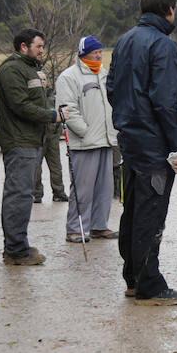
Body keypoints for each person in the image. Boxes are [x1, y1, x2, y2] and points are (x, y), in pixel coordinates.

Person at [107, 0, 177, 306]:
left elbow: (112, 88)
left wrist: (129, 119)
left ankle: (133, 278)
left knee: (133, 211)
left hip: (129, 140)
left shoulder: (125, 41)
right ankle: (149, 284)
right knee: (150, 214)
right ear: (169, 10)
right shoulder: (164, 45)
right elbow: (165, 101)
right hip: (154, 144)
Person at [0, 28, 57, 267]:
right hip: (19, 142)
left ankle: (18, 245)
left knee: (24, 195)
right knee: (18, 195)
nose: (42, 50)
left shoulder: (29, 69)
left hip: (31, 141)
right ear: (23, 47)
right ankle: (16, 250)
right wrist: (52, 115)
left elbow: (32, 100)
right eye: (38, 46)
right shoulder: (11, 70)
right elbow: (21, 106)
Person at [56, 35, 118, 243]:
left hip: (106, 140)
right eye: (95, 52)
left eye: (100, 51)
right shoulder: (69, 77)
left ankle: (99, 226)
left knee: (104, 188)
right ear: (84, 54)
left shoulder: (104, 74)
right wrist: (84, 131)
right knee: (82, 189)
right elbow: (67, 109)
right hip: (84, 143)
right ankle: (75, 228)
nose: (99, 55)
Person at [34, 100, 68, 204]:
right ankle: (36, 194)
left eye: (45, 81)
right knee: (36, 167)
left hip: (53, 137)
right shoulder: (35, 96)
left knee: (56, 166)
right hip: (38, 136)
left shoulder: (53, 98)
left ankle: (59, 193)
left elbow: (62, 113)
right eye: (41, 81)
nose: (43, 82)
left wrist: (56, 131)